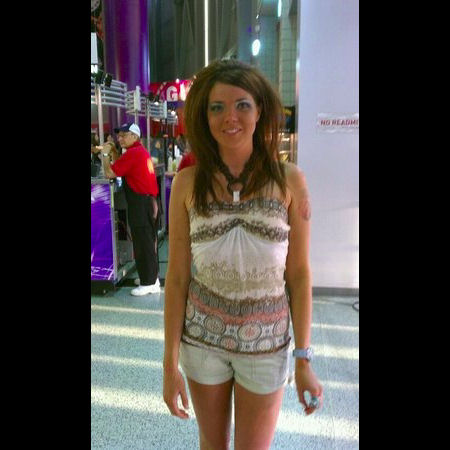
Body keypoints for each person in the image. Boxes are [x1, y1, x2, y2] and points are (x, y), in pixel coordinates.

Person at [163, 59, 323, 449]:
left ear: (260, 110)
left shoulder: (289, 181)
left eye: (242, 105)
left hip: (266, 344)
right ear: (204, 116)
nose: (229, 117)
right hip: (202, 340)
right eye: (217, 107)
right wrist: (169, 364)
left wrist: (303, 358)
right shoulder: (186, 184)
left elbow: (299, 274)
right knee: (212, 443)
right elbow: (178, 277)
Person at [100, 122, 161, 296]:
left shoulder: (133, 153)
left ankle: (148, 283)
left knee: (143, 243)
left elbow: (109, 173)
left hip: (141, 204)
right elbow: (121, 165)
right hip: (148, 202)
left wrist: (105, 154)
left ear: (134, 136)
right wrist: (114, 152)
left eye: (124, 135)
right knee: (147, 241)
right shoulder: (137, 151)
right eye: (119, 136)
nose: (120, 139)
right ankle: (152, 279)